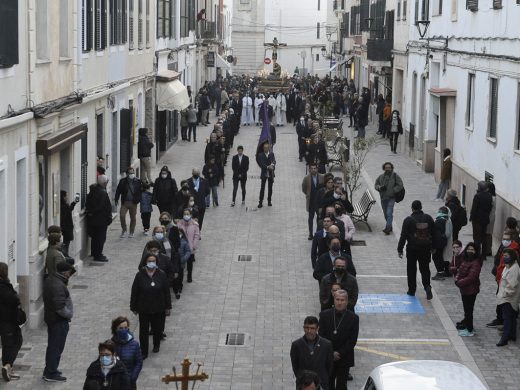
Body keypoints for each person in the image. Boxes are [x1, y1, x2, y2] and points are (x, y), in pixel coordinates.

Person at [130, 254, 171, 359]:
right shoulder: (139, 275)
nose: (151, 263)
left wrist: (168, 307)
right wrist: (133, 306)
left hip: (159, 308)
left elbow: (166, 291)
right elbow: (134, 291)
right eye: (149, 260)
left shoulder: (161, 274)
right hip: (144, 308)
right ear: (145, 262)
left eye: (153, 261)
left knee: (157, 329)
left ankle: (156, 345)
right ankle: (144, 351)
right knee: (143, 331)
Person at [318, 290, 359, 388]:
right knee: (328, 384)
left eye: (342, 300)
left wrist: (339, 353)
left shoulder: (353, 318)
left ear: (347, 301)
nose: (339, 302)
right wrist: (331, 352)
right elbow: (321, 336)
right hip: (328, 356)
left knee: (342, 385)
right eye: (337, 299)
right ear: (334, 300)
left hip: (344, 358)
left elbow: (352, 340)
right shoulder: (324, 315)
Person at [42, 262, 75, 382]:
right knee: (56, 347)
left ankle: (50, 370)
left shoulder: (53, 280)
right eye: (69, 272)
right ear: (65, 272)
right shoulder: (57, 285)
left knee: (53, 346)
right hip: (58, 321)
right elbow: (60, 307)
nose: (70, 275)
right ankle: (51, 373)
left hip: (53, 319)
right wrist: (69, 314)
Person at [397, 200, 435, 300]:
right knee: (425, 269)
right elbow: (434, 233)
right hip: (425, 248)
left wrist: (400, 249)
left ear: (412, 208)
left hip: (412, 249)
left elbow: (403, 236)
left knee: (411, 270)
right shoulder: (428, 218)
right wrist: (433, 247)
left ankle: (411, 290)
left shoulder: (408, 220)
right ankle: (427, 286)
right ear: (421, 207)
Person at [487, 229, 520, 328]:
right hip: (501, 278)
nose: (504, 240)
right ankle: (502, 320)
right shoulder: (503, 246)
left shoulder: (514, 250)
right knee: (501, 300)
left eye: (507, 239)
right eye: (503, 238)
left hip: (506, 279)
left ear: (511, 239)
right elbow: (498, 259)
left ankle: (504, 322)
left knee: (506, 302)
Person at [290, 316, 333, 390]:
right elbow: (295, 367)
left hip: (321, 384)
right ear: (303, 328)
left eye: (312, 328)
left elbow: (329, 366)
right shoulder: (296, 345)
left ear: (317, 329)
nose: (309, 331)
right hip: (303, 385)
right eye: (307, 328)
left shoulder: (326, 344)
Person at [452, 243, 482, 337]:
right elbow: (460, 271)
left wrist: (459, 282)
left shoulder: (476, 263)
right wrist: (457, 278)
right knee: (466, 310)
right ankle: (466, 324)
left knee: (469, 310)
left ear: (476, 252)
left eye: (472, 250)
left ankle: (469, 329)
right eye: (469, 249)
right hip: (464, 290)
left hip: (471, 291)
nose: (470, 251)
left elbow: (471, 277)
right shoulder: (465, 260)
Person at [0, 263, 23, 382]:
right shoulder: (3, 286)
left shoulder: (4, 284)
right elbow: (14, 299)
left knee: (11, 343)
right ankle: (7, 367)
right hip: (7, 320)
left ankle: (8, 367)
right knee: (13, 343)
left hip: (6, 320)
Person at [86, 175, 113, 262]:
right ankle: (98, 255)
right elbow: (102, 206)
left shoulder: (93, 190)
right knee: (100, 238)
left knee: (95, 237)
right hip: (101, 219)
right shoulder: (102, 192)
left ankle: (94, 253)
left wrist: (90, 212)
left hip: (93, 219)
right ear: (104, 183)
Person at [496, 249, 520, 346]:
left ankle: (504, 339)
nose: (505, 257)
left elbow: (512, 285)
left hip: (508, 298)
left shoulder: (514, 269)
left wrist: (505, 294)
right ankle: (512, 335)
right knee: (512, 317)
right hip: (507, 297)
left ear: (512, 256)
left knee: (507, 319)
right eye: (504, 255)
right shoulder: (508, 266)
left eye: (507, 256)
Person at [111, 317, 142, 389]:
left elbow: (139, 362)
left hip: (129, 382)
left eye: (125, 327)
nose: (123, 330)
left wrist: (133, 377)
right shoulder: (111, 345)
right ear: (115, 329)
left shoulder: (134, 344)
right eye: (120, 328)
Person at [375, 162, 404, 235]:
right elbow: (376, 184)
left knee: (389, 213)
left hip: (391, 198)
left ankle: (387, 228)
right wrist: (379, 187)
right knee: (385, 214)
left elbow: (400, 185)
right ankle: (390, 226)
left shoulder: (395, 176)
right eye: (386, 167)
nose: (388, 169)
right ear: (384, 168)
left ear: (391, 168)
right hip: (383, 198)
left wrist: (393, 190)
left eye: (389, 167)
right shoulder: (381, 177)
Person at [115, 167, 142, 239]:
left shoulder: (138, 181)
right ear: (127, 174)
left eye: (133, 173)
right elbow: (118, 191)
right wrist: (116, 199)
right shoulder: (123, 181)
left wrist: (139, 199)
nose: (132, 174)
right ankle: (124, 230)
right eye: (130, 173)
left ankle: (131, 232)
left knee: (133, 217)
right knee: (122, 215)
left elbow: (140, 191)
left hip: (133, 202)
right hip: (125, 202)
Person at [470, 181, 493, 262]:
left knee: (476, 238)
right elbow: (490, 208)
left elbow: (474, 208)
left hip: (477, 220)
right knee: (483, 237)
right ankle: (483, 255)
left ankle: (477, 254)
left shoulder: (477, 196)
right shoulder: (489, 196)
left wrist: (471, 217)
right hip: (485, 219)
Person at [302, 163, 325, 240]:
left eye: (315, 168)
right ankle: (310, 234)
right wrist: (308, 194)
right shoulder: (306, 178)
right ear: (309, 169)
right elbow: (304, 188)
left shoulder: (322, 177)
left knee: (319, 219)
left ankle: (318, 233)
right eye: (312, 168)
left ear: (317, 169)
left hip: (319, 203)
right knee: (310, 218)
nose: (313, 170)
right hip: (311, 202)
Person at [177, 209, 200, 283]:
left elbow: (196, 236)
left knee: (190, 263)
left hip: (190, 247)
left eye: (188, 214)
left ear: (191, 215)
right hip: (181, 247)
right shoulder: (179, 224)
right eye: (184, 214)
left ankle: (189, 276)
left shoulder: (195, 224)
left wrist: (194, 246)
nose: (186, 215)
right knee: (181, 263)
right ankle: (180, 277)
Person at [432, 206, 452, 280]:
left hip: (438, 242)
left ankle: (440, 272)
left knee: (436, 257)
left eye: (439, 211)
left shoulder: (439, 220)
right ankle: (444, 271)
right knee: (441, 256)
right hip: (443, 242)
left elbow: (438, 233)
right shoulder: (447, 219)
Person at [256, 142, 276, 208]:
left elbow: (274, 161)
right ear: (263, 148)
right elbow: (261, 164)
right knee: (262, 188)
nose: (266, 149)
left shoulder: (271, 154)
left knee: (270, 188)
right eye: (265, 148)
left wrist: (272, 165)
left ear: (269, 148)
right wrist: (267, 167)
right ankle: (260, 202)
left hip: (271, 173)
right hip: (264, 173)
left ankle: (269, 201)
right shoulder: (260, 155)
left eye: (267, 148)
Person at [60, 190, 77, 257]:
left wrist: (74, 203)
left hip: (66, 229)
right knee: (65, 245)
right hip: (66, 229)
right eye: (66, 196)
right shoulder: (64, 206)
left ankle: (66, 256)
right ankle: (66, 257)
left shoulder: (64, 205)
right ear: (63, 197)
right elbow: (64, 217)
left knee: (66, 245)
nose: (67, 197)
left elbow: (69, 210)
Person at [176, 229, 192, 299]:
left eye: (179, 233)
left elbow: (188, 252)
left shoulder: (184, 242)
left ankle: (180, 286)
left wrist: (183, 259)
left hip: (181, 262)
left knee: (180, 274)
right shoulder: (171, 241)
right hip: (173, 262)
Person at [485, 182, 497, 256]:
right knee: (489, 234)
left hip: (489, 217)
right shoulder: (494, 197)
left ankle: (488, 250)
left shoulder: (491, 198)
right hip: (491, 217)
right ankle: (488, 249)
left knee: (487, 234)